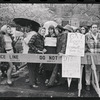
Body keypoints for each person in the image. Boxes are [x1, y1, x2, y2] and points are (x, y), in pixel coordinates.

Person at [85, 23, 100, 90]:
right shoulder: (87, 35)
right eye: (93, 27)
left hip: (98, 55)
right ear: (91, 28)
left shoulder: (99, 35)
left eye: (96, 27)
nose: (94, 28)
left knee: (97, 69)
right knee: (88, 69)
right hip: (89, 55)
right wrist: (87, 51)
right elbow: (84, 45)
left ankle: (97, 83)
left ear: (97, 28)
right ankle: (87, 83)